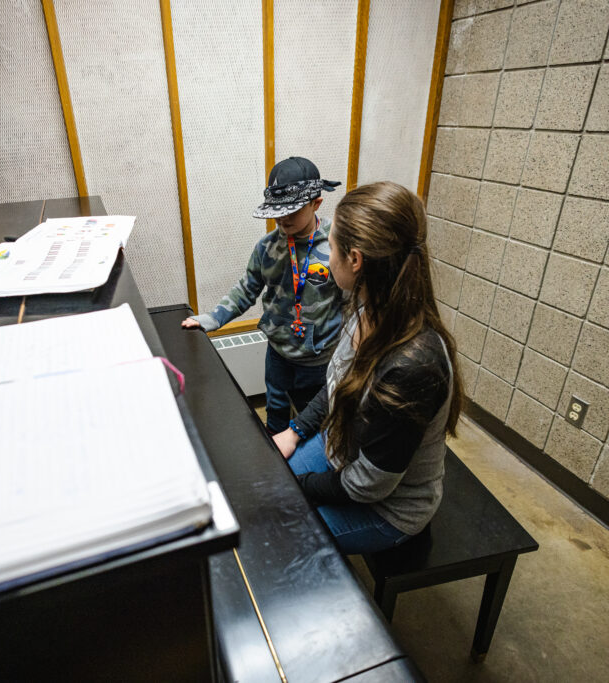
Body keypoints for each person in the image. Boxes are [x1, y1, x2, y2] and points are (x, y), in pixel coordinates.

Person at [272, 181, 463, 555]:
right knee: (264, 490)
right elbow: (337, 386)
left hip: (387, 507)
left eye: (334, 248)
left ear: (355, 260)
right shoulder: (366, 307)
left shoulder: (413, 369)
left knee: (281, 535)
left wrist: (304, 487)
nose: (329, 259)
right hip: (343, 451)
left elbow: (366, 485)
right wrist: (294, 431)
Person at [182, 157, 345, 434]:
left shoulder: (337, 246)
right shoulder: (267, 247)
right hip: (278, 354)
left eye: (292, 211)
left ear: (316, 203)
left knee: (312, 424)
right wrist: (212, 318)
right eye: (277, 211)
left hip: (319, 361)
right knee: (276, 413)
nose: (282, 218)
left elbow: (353, 303)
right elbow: (247, 288)